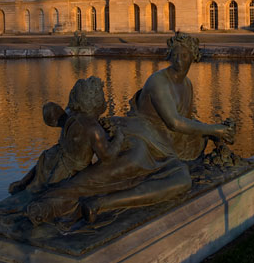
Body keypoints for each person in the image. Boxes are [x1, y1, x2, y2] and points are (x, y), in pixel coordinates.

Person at [24, 33, 235, 226]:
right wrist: (215, 130)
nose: (179, 60)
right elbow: (174, 122)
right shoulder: (158, 82)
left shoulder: (186, 84)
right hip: (139, 135)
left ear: (194, 57)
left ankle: (100, 203)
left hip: (162, 147)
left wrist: (214, 132)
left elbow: (184, 121)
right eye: (176, 55)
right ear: (170, 55)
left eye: (185, 55)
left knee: (181, 180)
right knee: (115, 171)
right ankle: (50, 202)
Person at [8, 77, 123, 195]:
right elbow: (108, 157)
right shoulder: (93, 129)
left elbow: (53, 115)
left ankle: (23, 183)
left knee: (32, 192)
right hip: (69, 172)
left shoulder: (70, 113)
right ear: (97, 100)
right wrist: (119, 137)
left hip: (50, 159)